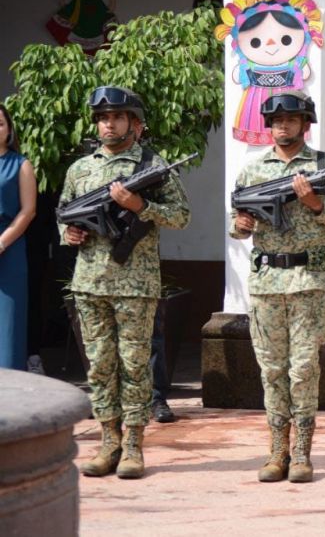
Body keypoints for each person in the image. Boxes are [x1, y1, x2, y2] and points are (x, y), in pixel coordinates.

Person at [60, 86, 191, 479]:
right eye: (102, 118)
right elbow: (64, 213)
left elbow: (181, 215)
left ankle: (133, 445)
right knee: (99, 368)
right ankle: (108, 442)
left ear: (134, 123)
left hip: (135, 284)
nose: (108, 124)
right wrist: (68, 233)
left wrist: (140, 206)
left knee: (134, 366)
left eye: (117, 117)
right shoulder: (80, 169)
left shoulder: (152, 165)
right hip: (90, 282)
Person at [230, 90, 325, 483]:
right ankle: (276, 451)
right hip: (266, 283)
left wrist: (317, 205)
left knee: (303, 368)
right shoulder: (253, 171)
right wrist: (240, 226)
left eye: (290, 119)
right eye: (275, 121)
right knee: (271, 370)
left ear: (306, 124)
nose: (281, 126)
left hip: (307, 283)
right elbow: (236, 222)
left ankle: (302, 452)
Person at [0, 104, 37, 371]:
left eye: (0, 124)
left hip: (9, 247)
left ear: (9, 129)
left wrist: (2, 241)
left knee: (9, 323)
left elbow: (28, 210)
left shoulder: (21, 164)